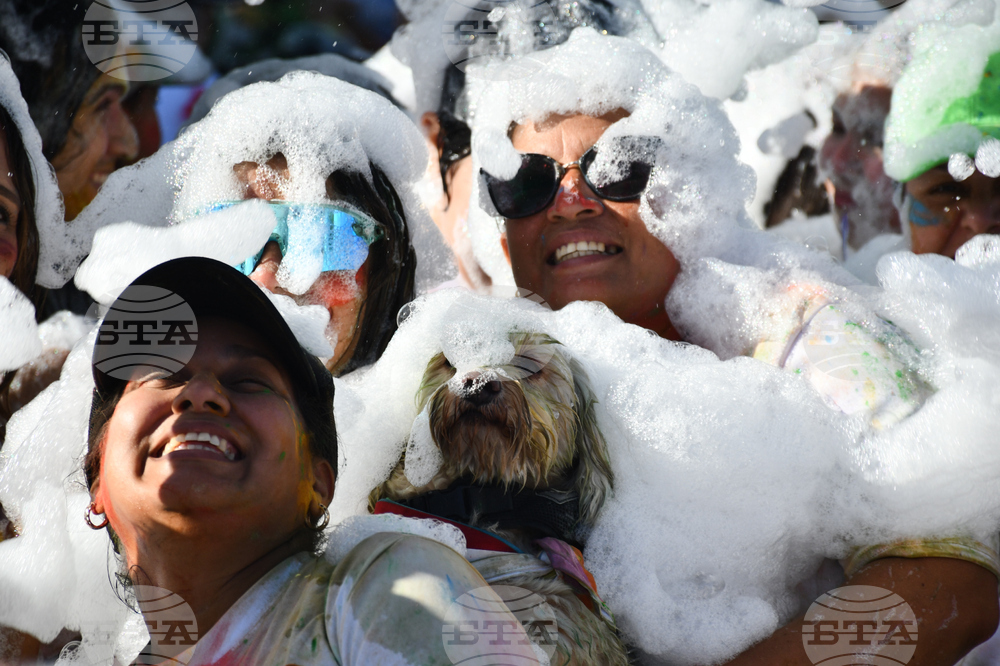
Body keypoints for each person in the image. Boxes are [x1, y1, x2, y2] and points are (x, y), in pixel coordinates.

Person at [472, 31, 999, 664]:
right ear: (503, 239)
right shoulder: (471, 381)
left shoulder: (804, 330)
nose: (570, 203)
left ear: (692, 197)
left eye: (617, 169)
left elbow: (952, 580)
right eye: (527, 183)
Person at [82, 256, 538, 664]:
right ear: (97, 480)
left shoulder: (388, 587)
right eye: (163, 375)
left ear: (319, 484)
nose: (200, 393)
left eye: (248, 380)